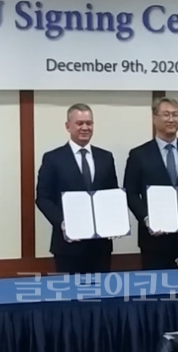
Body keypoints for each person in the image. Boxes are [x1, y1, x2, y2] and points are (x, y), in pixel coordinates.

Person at [124, 97, 178, 270]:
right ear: (154, 118)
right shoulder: (139, 154)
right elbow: (130, 193)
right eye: (166, 114)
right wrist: (146, 218)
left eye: (175, 114)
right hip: (154, 240)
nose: (171, 119)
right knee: (158, 284)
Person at [36, 103, 119, 274]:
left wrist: (115, 221)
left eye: (89, 123)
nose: (85, 128)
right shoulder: (53, 158)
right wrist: (62, 223)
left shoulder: (105, 157)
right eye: (79, 123)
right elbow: (43, 198)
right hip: (68, 245)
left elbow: (112, 195)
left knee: (101, 290)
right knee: (71, 290)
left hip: (100, 245)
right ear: (68, 126)